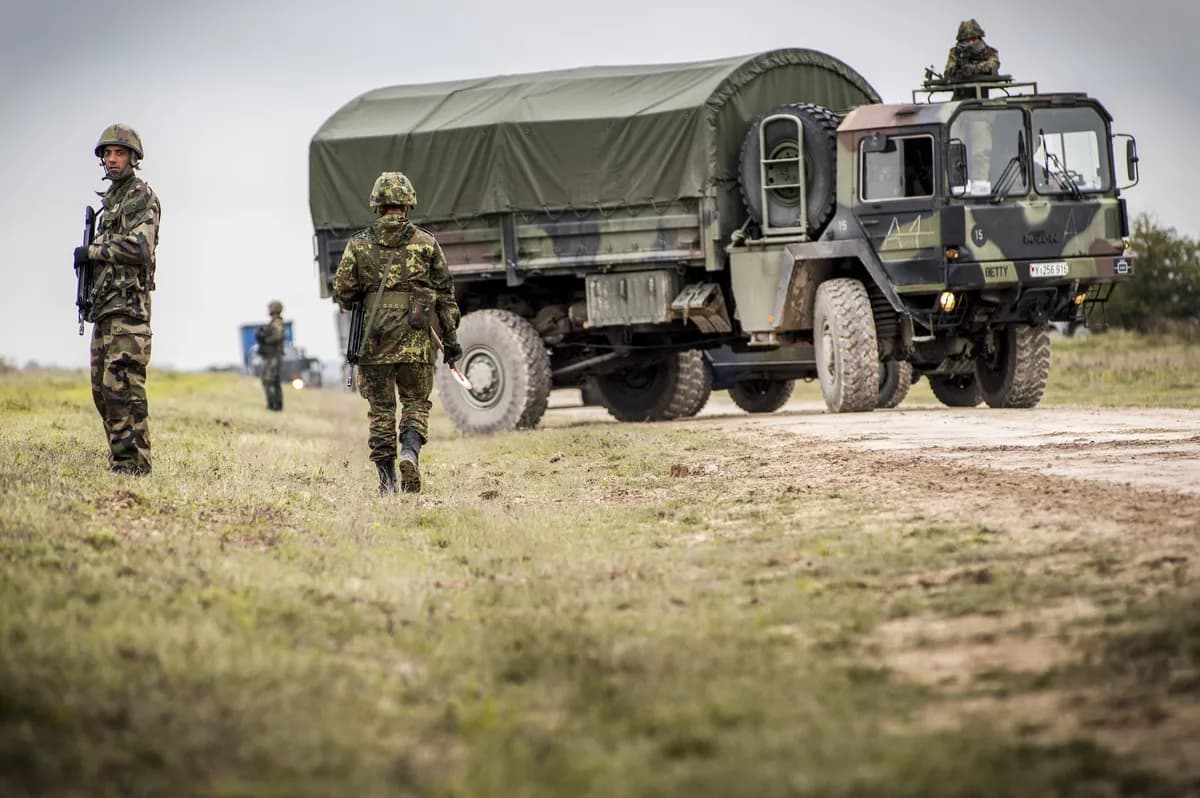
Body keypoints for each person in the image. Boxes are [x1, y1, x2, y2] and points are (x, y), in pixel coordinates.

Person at [332, 172, 461, 494]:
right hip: (416, 341)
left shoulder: (358, 244)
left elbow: (343, 292)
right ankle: (410, 452)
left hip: (373, 341)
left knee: (381, 410)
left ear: (377, 204)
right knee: (416, 402)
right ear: (408, 204)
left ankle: (387, 482)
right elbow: (445, 296)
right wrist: (451, 341)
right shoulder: (426, 243)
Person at [73, 124, 161, 475]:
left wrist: (93, 251)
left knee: (121, 386)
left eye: (119, 153)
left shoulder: (141, 196)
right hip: (106, 308)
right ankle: (120, 460)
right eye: (107, 154)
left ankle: (134, 464)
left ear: (134, 158)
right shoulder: (110, 204)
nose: (112, 159)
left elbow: (140, 247)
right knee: (101, 390)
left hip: (129, 310)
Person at [256, 300, 286, 411]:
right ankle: (276, 404)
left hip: (274, 357)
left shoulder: (277, 322)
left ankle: (273, 405)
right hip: (271, 356)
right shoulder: (274, 322)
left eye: (270, 308)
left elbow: (278, 336)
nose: (268, 310)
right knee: (273, 381)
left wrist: (265, 339)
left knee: (268, 380)